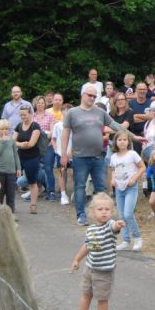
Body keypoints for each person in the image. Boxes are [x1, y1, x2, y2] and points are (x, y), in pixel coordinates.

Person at [61, 85, 143, 226]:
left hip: (98, 156)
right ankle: (81, 215)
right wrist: (63, 154)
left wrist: (133, 137)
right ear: (82, 95)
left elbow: (116, 126)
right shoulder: (72, 113)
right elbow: (65, 134)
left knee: (101, 188)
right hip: (80, 157)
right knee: (80, 186)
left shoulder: (100, 112)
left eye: (94, 96)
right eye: (89, 95)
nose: (92, 98)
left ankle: (106, 217)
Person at [70, 193, 125, 310]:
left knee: (102, 298)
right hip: (89, 269)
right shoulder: (91, 229)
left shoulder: (109, 226)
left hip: (104, 272)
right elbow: (87, 246)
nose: (104, 212)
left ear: (112, 212)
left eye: (107, 209)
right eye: (100, 209)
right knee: (86, 294)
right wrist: (77, 259)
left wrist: (118, 224)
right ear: (93, 212)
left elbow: (115, 227)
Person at [110, 131, 145, 252]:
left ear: (128, 142)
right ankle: (125, 240)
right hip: (119, 188)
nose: (122, 142)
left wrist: (134, 178)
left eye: (124, 140)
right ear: (115, 142)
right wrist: (112, 179)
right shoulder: (114, 156)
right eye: (119, 140)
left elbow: (142, 167)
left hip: (130, 187)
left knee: (128, 214)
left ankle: (137, 237)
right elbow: (113, 169)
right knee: (121, 216)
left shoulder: (132, 154)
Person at [14, 105, 42, 214]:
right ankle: (11, 204)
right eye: (21, 115)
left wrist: (20, 144)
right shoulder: (19, 126)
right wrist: (21, 144)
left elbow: (31, 143)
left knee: (32, 182)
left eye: (24, 114)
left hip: (32, 158)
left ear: (30, 114)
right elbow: (13, 141)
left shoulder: (35, 126)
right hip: (19, 157)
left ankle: (33, 205)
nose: (22, 117)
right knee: (12, 180)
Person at [33, 95, 58, 201]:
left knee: (48, 168)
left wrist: (46, 134)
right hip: (35, 146)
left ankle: (51, 191)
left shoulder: (50, 116)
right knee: (34, 168)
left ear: (45, 104)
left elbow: (52, 131)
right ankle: (37, 189)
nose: (40, 104)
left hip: (48, 145)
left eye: (42, 103)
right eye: (38, 103)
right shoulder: (32, 116)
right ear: (35, 104)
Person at [0, 119, 20, 214]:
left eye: (6, 129)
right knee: (0, 194)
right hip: (0, 171)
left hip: (11, 172)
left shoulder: (12, 141)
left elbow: (15, 155)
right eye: (2, 129)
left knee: (11, 194)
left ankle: (11, 214)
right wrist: (3, 142)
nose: (4, 131)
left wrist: (18, 168)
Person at [52, 104, 73, 205]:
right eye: (65, 111)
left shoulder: (75, 126)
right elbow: (53, 139)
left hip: (72, 154)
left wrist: (71, 152)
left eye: (69, 111)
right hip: (61, 154)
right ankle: (63, 194)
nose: (67, 113)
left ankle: (75, 192)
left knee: (73, 173)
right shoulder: (58, 125)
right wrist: (57, 150)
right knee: (61, 173)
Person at [127, 82, 151, 154]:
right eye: (140, 89)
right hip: (135, 137)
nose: (142, 91)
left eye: (144, 89)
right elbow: (131, 119)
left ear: (147, 90)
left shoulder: (151, 103)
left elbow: (151, 117)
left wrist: (136, 115)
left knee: (148, 157)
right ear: (136, 90)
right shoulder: (130, 104)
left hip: (149, 136)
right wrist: (146, 117)